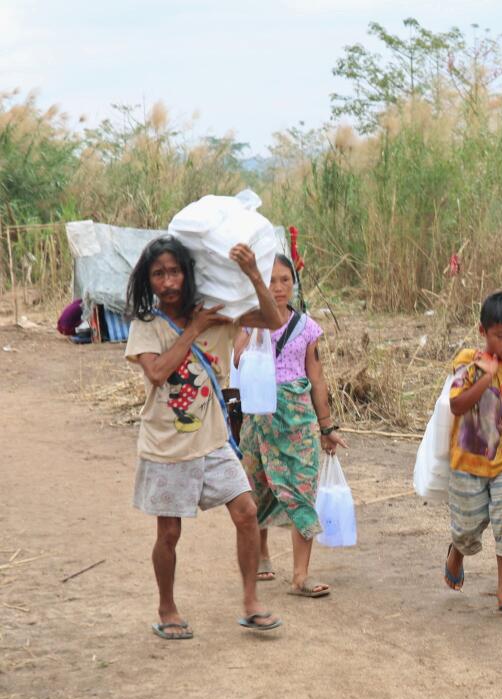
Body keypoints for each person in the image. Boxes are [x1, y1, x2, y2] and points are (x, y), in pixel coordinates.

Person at [124, 235, 286, 639]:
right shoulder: (146, 326)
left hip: (213, 442)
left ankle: (251, 603)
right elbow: (159, 372)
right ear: (148, 280)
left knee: (247, 512)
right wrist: (195, 328)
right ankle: (167, 607)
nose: (168, 281)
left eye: (174, 271)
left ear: (188, 272)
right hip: (166, 447)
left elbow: (273, 320)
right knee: (169, 533)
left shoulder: (220, 314)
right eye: (158, 273)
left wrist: (251, 273)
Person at [234, 254, 347, 596]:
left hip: (297, 421)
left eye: (285, 280)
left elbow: (317, 378)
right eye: (271, 280)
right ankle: (262, 554)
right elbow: (238, 359)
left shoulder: (306, 328)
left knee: (301, 490)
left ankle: (300, 576)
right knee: (257, 488)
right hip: (257, 419)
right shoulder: (250, 323)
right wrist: (256, 328)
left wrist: (326, 428)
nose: (279, 287)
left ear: (293, 283)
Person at [442, 289, 502, 616]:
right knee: (469, 527)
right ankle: (457, 550)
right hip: (468, 462)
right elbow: (457, 404)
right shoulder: (468, 362)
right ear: (483, 332)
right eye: (500, 335)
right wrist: (485, 377)